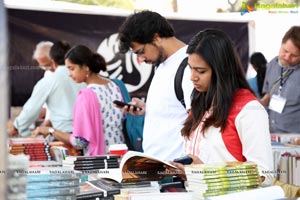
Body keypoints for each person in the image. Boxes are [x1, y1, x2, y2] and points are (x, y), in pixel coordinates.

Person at [170, 29, 273, 186]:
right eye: (190, 68)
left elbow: (265, 174)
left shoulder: (250, 109)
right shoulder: (199, 101)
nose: (192, 77)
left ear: (222, 70)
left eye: (201, 71)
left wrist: (207, 172)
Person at [118, 10, 194, 160]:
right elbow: (174, 111)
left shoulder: (189, 66)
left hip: (177, 168)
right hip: (158, 166)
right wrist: (147, 109)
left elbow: (199, 121)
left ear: (157, 37)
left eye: (141, 51)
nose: (141, 59)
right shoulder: (161, 64)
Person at [32, 45, 125, 156]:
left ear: (86, 67)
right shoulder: (116, 86)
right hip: (122, 154)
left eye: (72, 68)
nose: (69, 74)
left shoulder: (86, 95)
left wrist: (50, 131)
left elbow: (80, 142)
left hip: (100, 160)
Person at [9, 41, 85, 137]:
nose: (45, 68)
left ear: (53, 61)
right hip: (86, 132)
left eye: (47, 65)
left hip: (64, 134)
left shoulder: (50, 80)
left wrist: (17, 126)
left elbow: (32, 108)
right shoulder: (83, 76)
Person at [261, 26, 300, 133]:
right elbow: (269, 94)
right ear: (281, 43)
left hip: (295, 140)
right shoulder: (272, 64)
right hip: (272, 134)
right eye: (285, 51)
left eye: (294, 55)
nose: (287, 57)